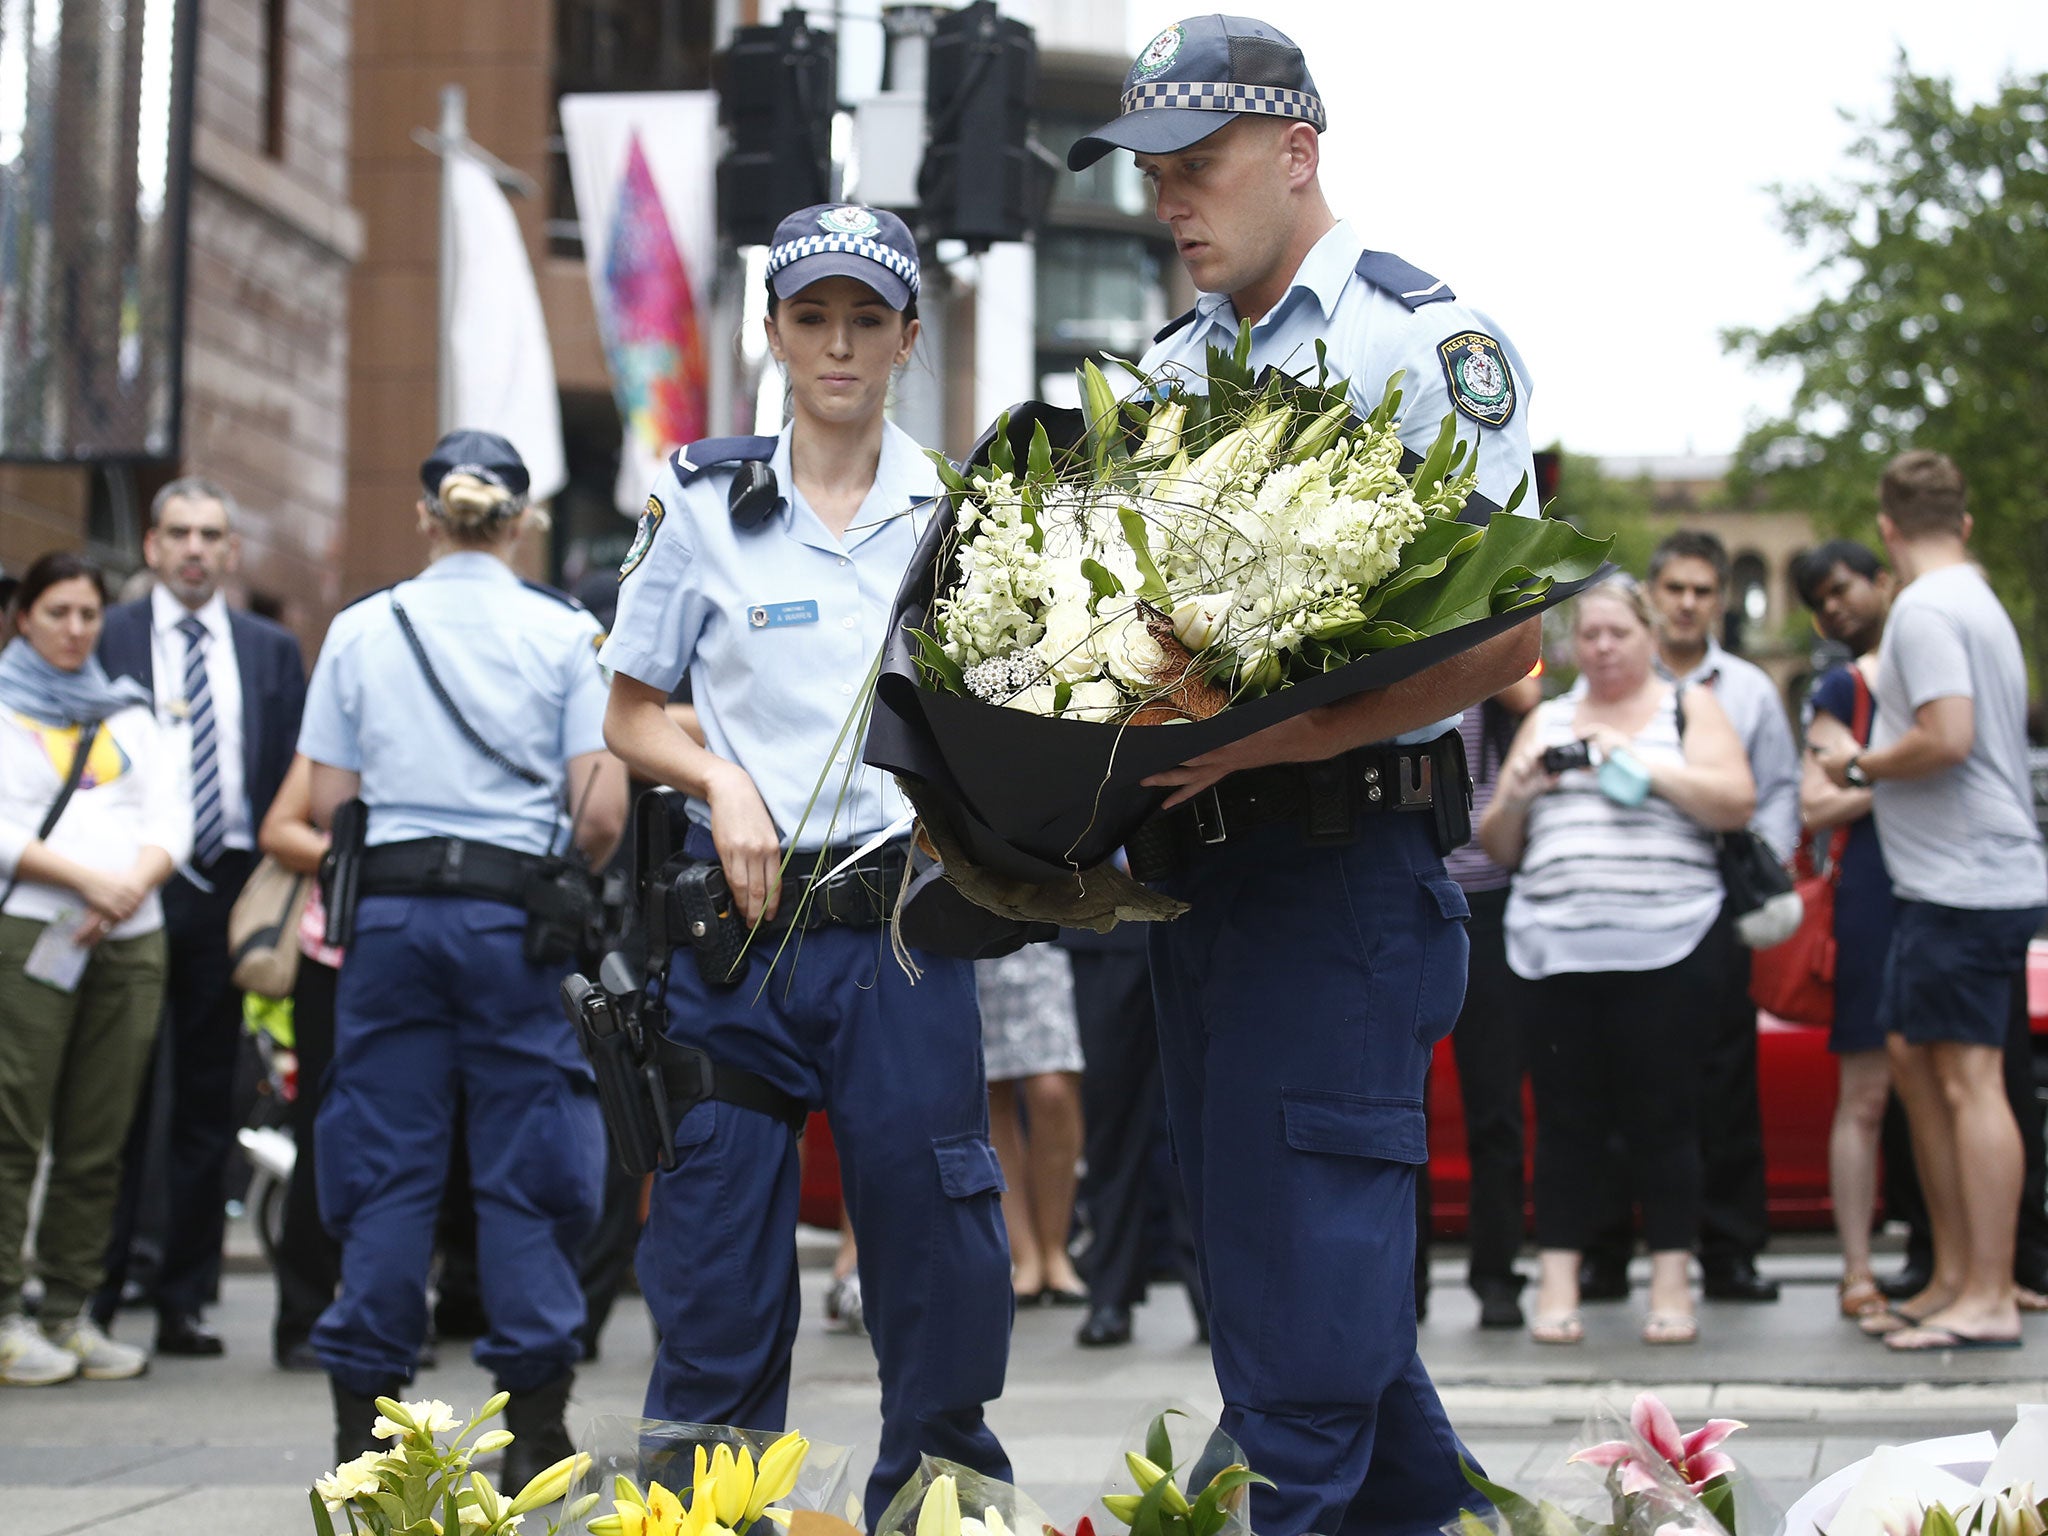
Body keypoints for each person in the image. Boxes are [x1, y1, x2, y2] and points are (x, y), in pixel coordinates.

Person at [1068, 19, 1543, 1532]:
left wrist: (1294, 731)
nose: (1169, 204)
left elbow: (1506, 634)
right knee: (1288, 1294)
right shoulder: (1166, 369)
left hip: (1345, 871)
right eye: (1151, 177)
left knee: (1301, 1359)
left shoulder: (1427, 343)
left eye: (1196, 170)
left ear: (1297, 153)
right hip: (1202, 881)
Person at [598, 204, 1012, 1523]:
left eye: (867, 320)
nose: (838, 344)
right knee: (715, 1277)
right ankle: (707, 1519)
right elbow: (629, 711)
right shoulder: (702, 499)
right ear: (771, 331)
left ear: (906, 339)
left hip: (902, 939)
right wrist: (720, 779)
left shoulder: (958, 512)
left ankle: (936, 1513)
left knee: (941, 1273)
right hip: (737, 948)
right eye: (812, 316)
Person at [299, 430, 627, 1476]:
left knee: (385, 1162)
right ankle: (533, 1427)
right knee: (527, 1163)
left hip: (391, 921)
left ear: (425, 517)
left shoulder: (360, 628)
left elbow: (324, 804)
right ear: (522, 522)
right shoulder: (566, 631)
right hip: (512, 924)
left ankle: (368, 1431)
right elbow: (602, 810)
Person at [1480, 577, 1756, 1347]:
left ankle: (1672, 1278)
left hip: (1670, 943)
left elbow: (1736, 800)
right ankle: (1559, 1276)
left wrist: (1636, 761)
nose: (1602, 647)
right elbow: (1498, 846)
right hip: (1555, 949)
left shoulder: (1686, 707)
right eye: (1590, 635)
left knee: (1664, 1117)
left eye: (1617, 634)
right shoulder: (1547, 719)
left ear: (1647, 636)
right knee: (1566, 1122)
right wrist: (1524, 794)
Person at [1815, 449, 2048, 1352]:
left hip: (1966, 878)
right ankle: (1956, 1277)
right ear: (1967, 520)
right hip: (1955, 877)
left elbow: (1946, 735)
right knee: (1919, 1063)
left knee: (1967, 1079)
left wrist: (1862, 762)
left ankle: (1988, 1292)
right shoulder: (1978, 599)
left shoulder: (1925, 607)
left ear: (1886, 528)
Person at [94, 477, 307, 1358]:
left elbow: (291, 761)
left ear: (229, 551)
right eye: (177, 532)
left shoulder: (268, 650)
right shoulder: (105, 637)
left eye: (209, 534)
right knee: (118, 1093)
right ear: (151, 546)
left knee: (206, 1098)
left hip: (229, 886)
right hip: (128, 883)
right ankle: (97, 1295)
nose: (192, 548)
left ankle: (185, 1298)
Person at [0, 553, 189, 1385]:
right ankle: (7, 1315)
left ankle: (68, 1312)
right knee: (14, 1130)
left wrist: (126, 892)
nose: (75, 630)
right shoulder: (4, 708)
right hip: (36, 932)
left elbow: (172, 821)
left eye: (87, 614)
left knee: (99, 1138)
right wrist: (89, 884)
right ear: (23, 619)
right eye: (57, 613)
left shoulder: (130, 715)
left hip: (130, 939)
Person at [1629, 528, 1800, 1305]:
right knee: (1627, 1081)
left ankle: (1730, 1251)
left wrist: (1761, 874)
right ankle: (1611, 1252)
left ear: (1721, 601)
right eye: (1677, 590)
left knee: (1727, 1079)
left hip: (1721, 903)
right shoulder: (1620, 676)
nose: (1690, 603)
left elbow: (1780, 790)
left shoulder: (1752, 690)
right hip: (1640, 902)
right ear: (1654, 595)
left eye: (1704, 591)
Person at [1790, 541, 1899, 1321]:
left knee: (1950, 1091)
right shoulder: (1843, 687)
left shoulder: (1943, 673)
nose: (1833, 607)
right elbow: (1816, 805)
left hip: (1947, 894)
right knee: (1863, 1094)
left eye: (1841, 589)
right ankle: (1857, 1269)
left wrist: (1870, 771)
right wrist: (1911, 772)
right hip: (1873, 896)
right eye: (1818, 599)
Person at [1437, 671, 1543, 1329]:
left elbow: (1529, 691)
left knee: (1496, 1102)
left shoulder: (1506, 690)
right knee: (1398, 1102)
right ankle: (1403, 1283)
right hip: (1413, 890)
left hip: (1496, 902)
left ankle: (1497, 1275)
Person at [1063, 924, 1205, 1349]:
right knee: (1109, 1114)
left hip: (1201, 907)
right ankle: (1110, 1294)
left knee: (1208, 1112)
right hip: (1104, 915)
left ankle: (1218, 1298)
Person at [253, 752, 343, 1370]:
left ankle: (424, 1307)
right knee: (325, 1133)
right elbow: (280, 829)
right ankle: (304, 1316)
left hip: (441, 951)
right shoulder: (349, 697)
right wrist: (364, 862)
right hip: (336, 956)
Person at [978, 942, 1088, 1305]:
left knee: (1052, 1090)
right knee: (990, 1087)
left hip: (1041, 928)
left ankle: (1056, 1247)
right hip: (967, 934)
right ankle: (1024, 1255)